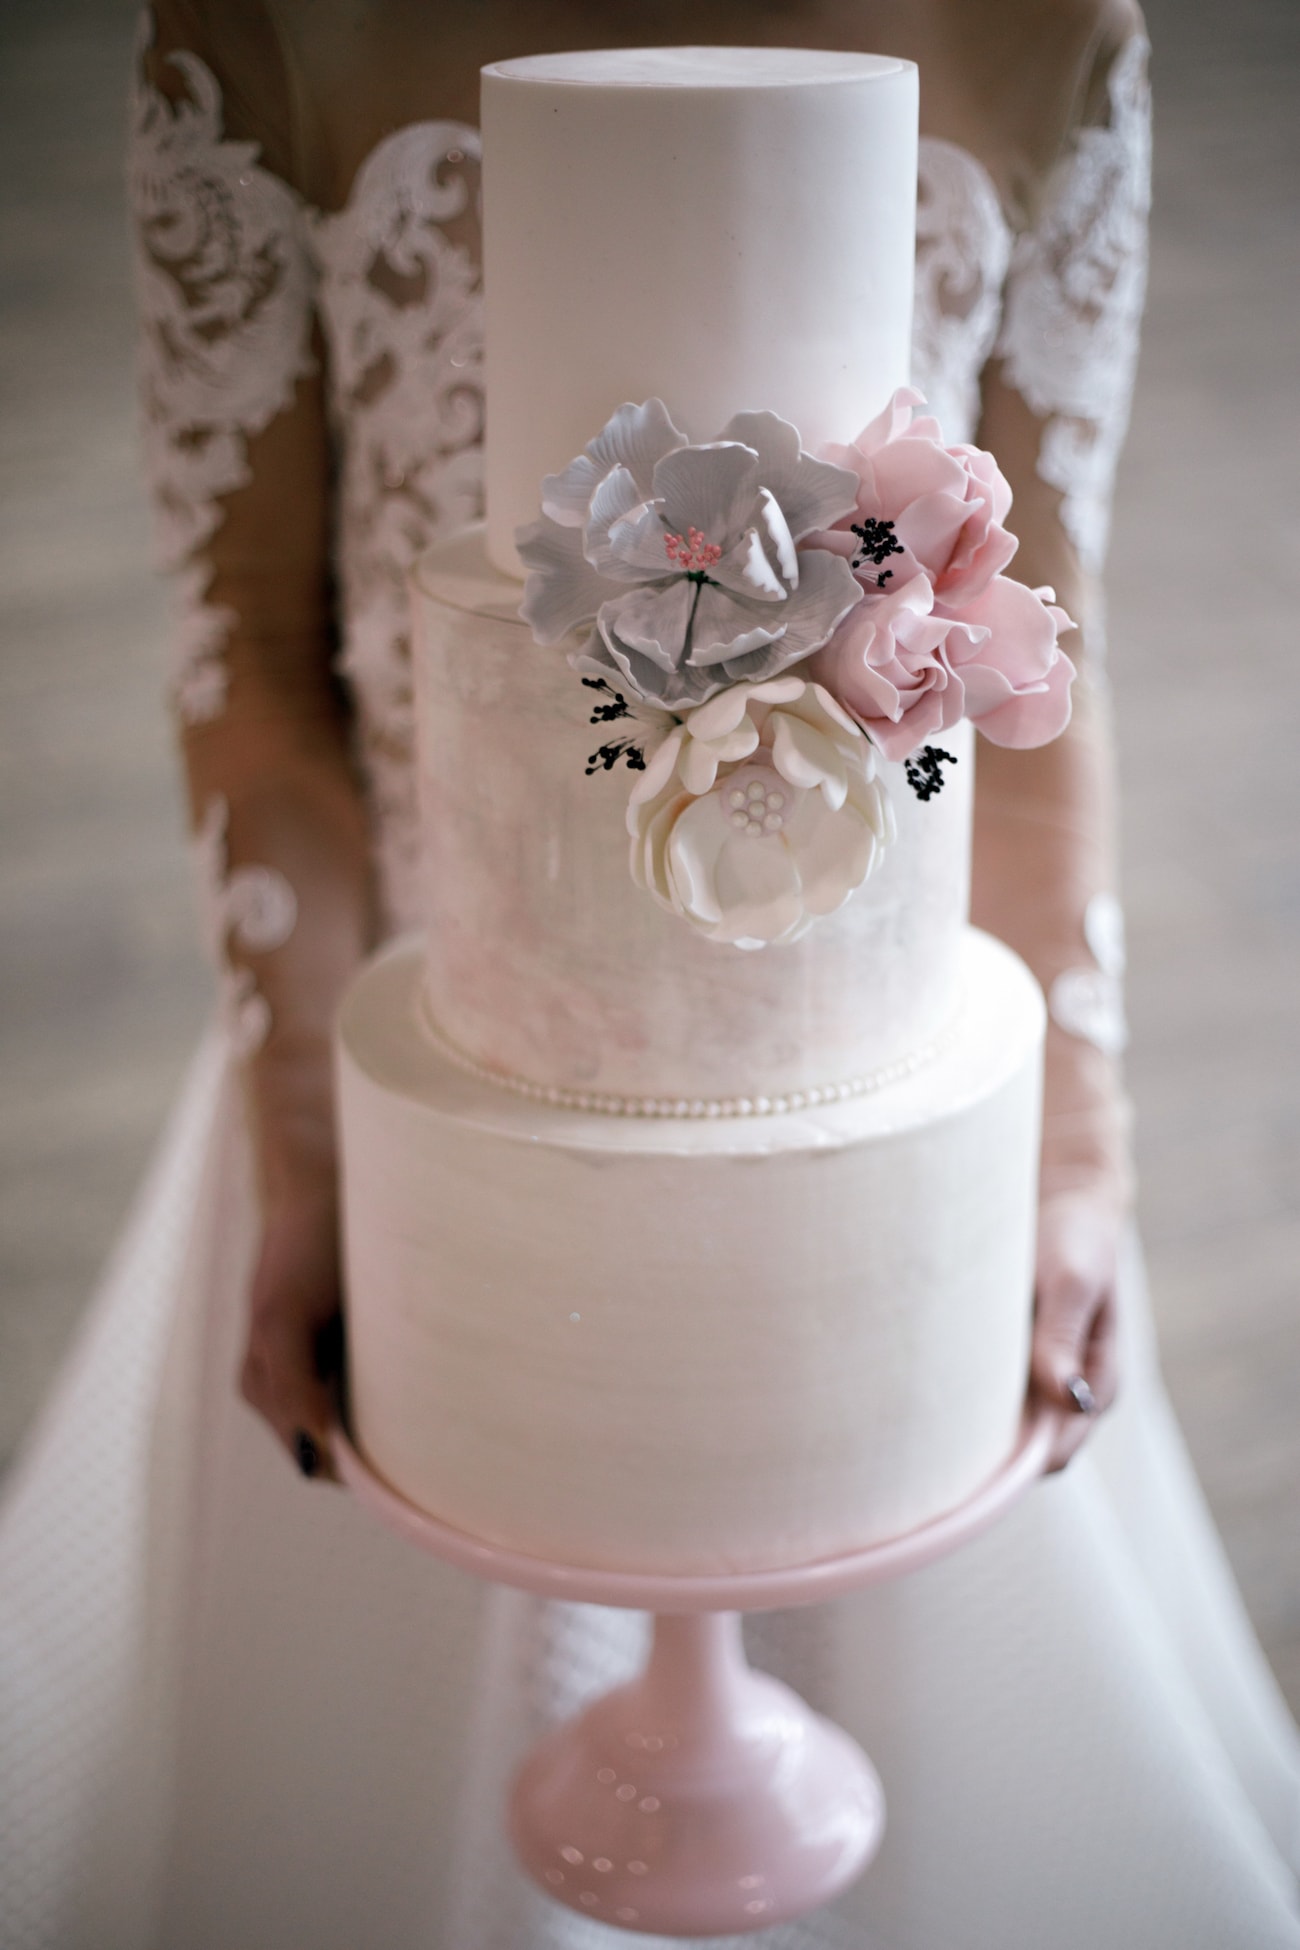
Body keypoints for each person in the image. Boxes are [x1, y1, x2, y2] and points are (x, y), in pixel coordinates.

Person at [2, 2, 1297, 1945]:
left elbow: (1046, 627)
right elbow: (254, 651)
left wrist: (1077, 1144)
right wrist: (312, 1148)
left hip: (882, 1105)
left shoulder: (1043, 24)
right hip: (420, 1077)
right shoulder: (270, 16)